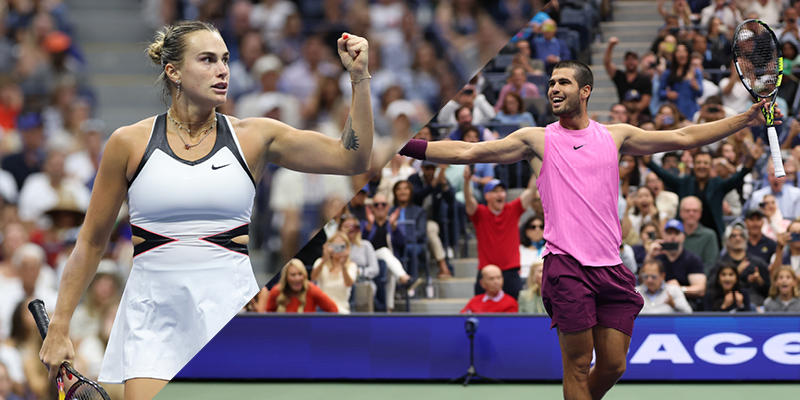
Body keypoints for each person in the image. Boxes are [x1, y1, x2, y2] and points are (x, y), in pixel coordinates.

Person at [399, 59, 778, 399]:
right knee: (578, 366)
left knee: (613, 366)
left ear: (585, 91)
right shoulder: (537, 139)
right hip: (566, 265)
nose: (553, 88)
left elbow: (684, 137)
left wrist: (745, 119)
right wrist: (403, 146)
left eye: (563, 82)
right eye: (551, 83)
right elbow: (468, 152)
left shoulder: (616, 135)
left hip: (610, 266)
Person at [39, 21, 374, 398]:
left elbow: (353, 158)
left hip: (231, 309)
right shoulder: (127, 143)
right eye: (208, 60)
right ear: (174, 72)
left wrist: (359, 78)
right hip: (153, 318)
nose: (223, 70)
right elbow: (90, 242)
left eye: (225, 60)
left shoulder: (256, 136)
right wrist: (59, 326)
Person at [463, 167, 536, 300]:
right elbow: (469, 199)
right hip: (487, 272)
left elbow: (531, 191)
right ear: (486, 196)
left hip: (511, 271)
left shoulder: (513, 209)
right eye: (495, 191)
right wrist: (467, 181)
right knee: (482, 309)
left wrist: (538, 166)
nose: (500, 194)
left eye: (502, 191)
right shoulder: (480, 213)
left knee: (515, 310)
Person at [708, 222, 770, 306]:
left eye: (741, 235)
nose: (738, 238)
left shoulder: (758, 262)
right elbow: (711, 287)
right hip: (726, 302)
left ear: (746, 239)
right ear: (727, 240)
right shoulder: (720, 264)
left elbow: (770, 289)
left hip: (756, 304)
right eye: (733, 236)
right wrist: (736, 273)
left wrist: (760, 281)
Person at [265, 259, 338, 313]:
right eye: (293, 275)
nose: (297, 278)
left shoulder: (312, 289)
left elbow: (333, 309)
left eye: (300, 274)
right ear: (286, 278)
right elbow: (267, 316)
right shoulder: (276, 291)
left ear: (305, 275)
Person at [311, 231, 358, 314]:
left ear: (347, 248)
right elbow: (313, 277)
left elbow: (348, 283)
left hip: (341, 309)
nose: (337, 250)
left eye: (341, 247)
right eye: (334, 246)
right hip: (322, 308)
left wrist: (343, 266)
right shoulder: (320, 262)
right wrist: (324, 260)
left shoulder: (351, 266)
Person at [604, 39, 651, 116]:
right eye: (628, 59)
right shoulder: (619, 76)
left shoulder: (645, 78)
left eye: (633, 59)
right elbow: (607, 64)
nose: (630, 62)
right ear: (624, 61)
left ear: (638, 61)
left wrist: (634, 113)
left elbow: (645, 100)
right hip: (623, 113)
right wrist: (610, 46)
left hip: (641, 115)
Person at [677, 196, 720, 272]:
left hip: (700, 277)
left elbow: (711, 264)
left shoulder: (709, 235)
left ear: (700, 213)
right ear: (680, 213)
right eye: (687, 210)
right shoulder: (673, 234)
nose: (691, 213)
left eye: (695, 211)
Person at [519, 215, 546, 280]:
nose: (537, 230)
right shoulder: (519, 249)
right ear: (526, 231)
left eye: (541, 227)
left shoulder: (550, 250)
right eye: (533, 227)